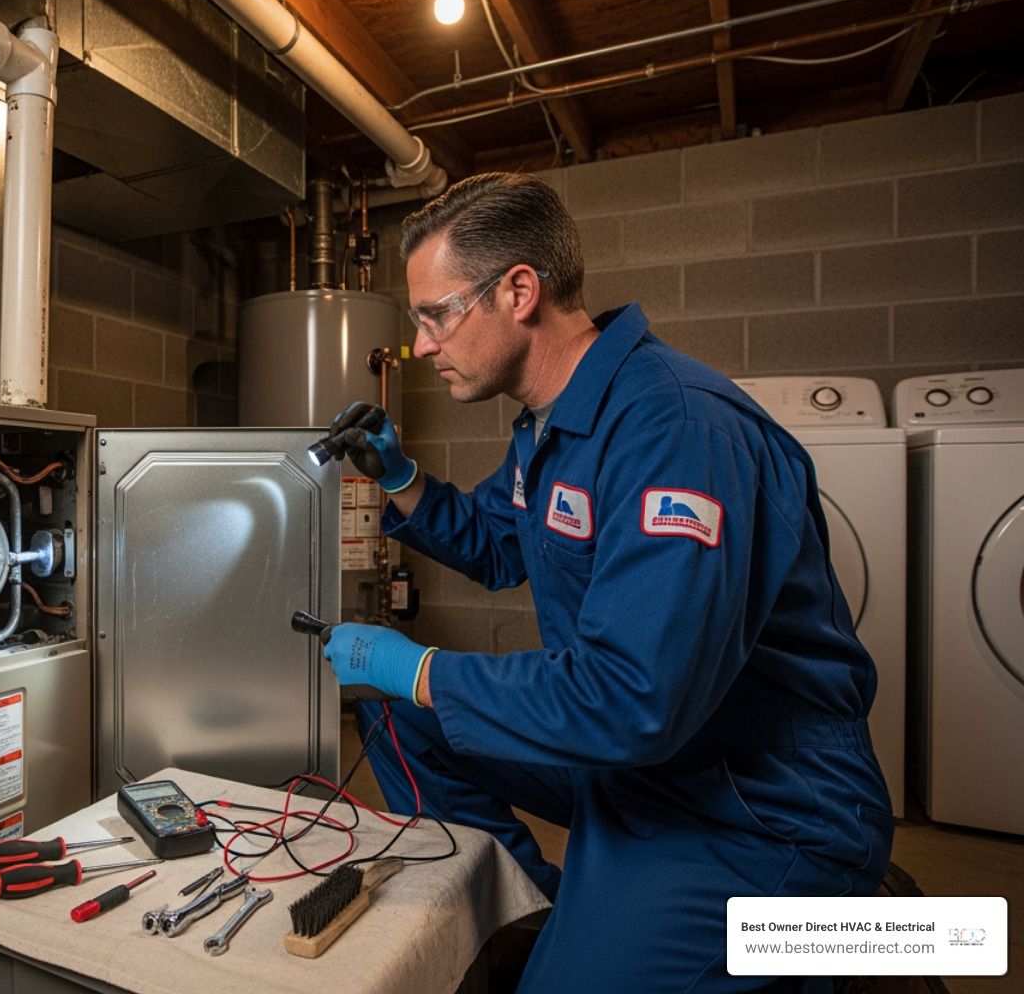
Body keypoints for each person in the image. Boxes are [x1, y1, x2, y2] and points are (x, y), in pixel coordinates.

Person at [320, 172, 893, 993]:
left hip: (755, 804)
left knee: (420, 691)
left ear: (519, 291)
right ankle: (539, 912)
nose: (421, 346)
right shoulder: (555, 426)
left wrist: (421, 667)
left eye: (435, 315)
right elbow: (496, 544)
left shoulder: (677, 430)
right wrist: (402, 476)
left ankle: (817, 943)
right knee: (400, 717)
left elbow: (632, 697)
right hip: (643, 767)